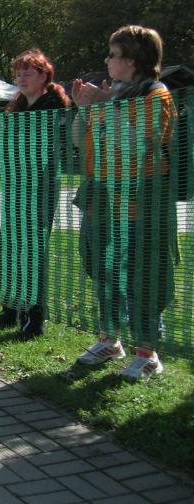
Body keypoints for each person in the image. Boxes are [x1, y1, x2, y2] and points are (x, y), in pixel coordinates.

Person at [71, 25, 177, 380]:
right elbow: (80, 141)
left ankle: (147, 353)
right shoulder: (112, 94)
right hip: (102, 200)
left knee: (140, 276)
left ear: (131, 61)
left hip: (138, 206)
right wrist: (83, 109)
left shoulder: (157, 96)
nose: (107, 61)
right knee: (101, 269)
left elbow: (138, 146)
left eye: (113, 55)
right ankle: (110, 340)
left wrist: (105, 105)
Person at [0, 49, 70, 339]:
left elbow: (53, 149)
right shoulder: (17, 107)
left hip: (40, 188)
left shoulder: (54, 107)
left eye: (28, 73)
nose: (21, 78)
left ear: (44, 76)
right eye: (18, 74)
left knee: (32, 251)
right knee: (8, 247)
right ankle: (10, 309)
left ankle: (35, 316)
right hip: (14, 187)